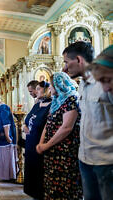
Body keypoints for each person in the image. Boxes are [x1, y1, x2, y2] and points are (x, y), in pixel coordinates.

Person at [63, 42, 113, 200]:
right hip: (85, 157)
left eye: (66, 62)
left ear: (78, 59)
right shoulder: (82, 84)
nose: (64, 68)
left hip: (106, 161)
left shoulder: (105, 81)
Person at [36, 72, 82, 199]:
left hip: (65, 153)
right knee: (52, 186)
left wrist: (45, 146)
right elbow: (48, 123)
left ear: (59, 85)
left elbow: (66, 128)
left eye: (51, 85)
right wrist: (41, 143)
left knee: (65, 188)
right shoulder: (56, 100)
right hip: (52, 151)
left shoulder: (71, 99)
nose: (49, 88)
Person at [23, 81, 51, 199]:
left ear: (46, 90)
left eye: (38, 89)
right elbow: (27, 119)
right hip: (30, 143)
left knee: (39, 171)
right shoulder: (36, 104)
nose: (36, 91)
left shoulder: (51, 105)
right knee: (31, 169)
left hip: (40, 142)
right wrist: (24, 126)